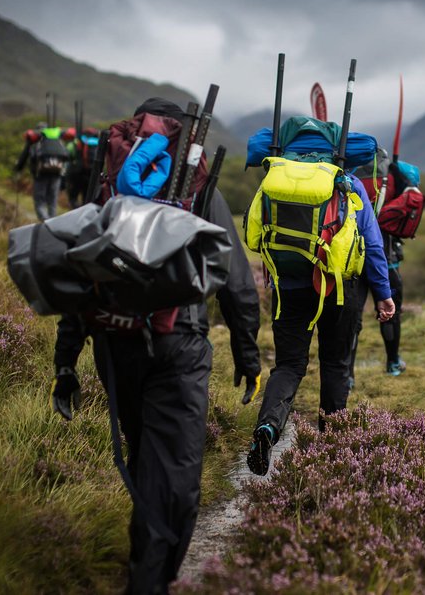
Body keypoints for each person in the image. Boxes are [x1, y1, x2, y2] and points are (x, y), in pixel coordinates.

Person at [49, 99, 261, 594]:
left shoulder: (107, 177)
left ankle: (143, 572)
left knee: (147, 460)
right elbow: (235, 279)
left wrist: (67, 359)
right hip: (178, 346)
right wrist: (248, 352)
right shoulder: (197, 185)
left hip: (113, 342)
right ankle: (151, 581)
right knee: (177, 481)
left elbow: (81, 269)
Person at [246, 174, 394, 477]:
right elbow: (372, 243)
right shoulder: (347, 182)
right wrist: (383, 294)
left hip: (289, 288)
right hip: (340, 289)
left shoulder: (278, 178)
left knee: (288, 365)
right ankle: (331, 450)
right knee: (336, 365)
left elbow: (254, 233)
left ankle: (268, 427)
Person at [349, 232, 406, 382]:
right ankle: (393, 363)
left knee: (352, 318)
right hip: (386, 260)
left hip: (352, 258)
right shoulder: (382, 207)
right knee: (389, 313)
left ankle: (347, 375)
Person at [14, 122, 68, 221]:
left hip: (40, 174)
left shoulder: (34, 141)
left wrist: (18, 168)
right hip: (57, 173)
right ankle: (52, 222)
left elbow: (24, 156)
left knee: (40, 200)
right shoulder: (56, 139)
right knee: (52, 200)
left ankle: (44, 220)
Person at [65, 126, 98, 209]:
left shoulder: (77, 142)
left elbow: (68, 155)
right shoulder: (97, 143)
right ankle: (83, 214)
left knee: (73, 196)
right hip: (91, 173)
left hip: (76, 173)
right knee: (86, 197)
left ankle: (73, 212)